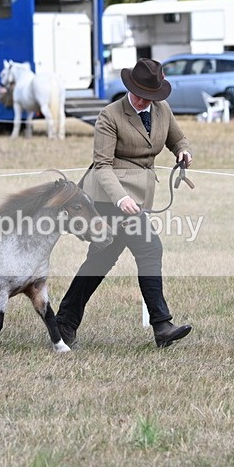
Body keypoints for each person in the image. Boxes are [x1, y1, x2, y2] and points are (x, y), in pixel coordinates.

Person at [57, 58, 194, 348]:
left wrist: (183, 152)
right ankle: (162, 325)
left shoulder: (162, 110)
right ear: (130, 86)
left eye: (150, 95)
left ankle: (64, 321)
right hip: (108, 198)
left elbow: (178, 139)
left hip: (139, 198)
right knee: (149, 247)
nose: (143, 99)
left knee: (100, 259)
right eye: (139, 93)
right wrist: (120, 198)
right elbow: (102, 165)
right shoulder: (109, 115)